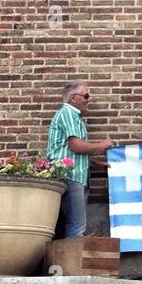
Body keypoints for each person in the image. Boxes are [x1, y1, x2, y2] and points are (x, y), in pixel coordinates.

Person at [46, 81, 114, 239]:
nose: (88, 99)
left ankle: (60, 263)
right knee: (77, 226)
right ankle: (72, 264)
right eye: (86, 95)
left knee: (66, 225)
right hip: (71, 176)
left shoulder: (73, 115)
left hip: (71, 175)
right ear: (73, 97)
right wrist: (102, 145)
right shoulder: (68, 113)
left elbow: (68, 152)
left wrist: (96, 164)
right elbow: (76, 146)